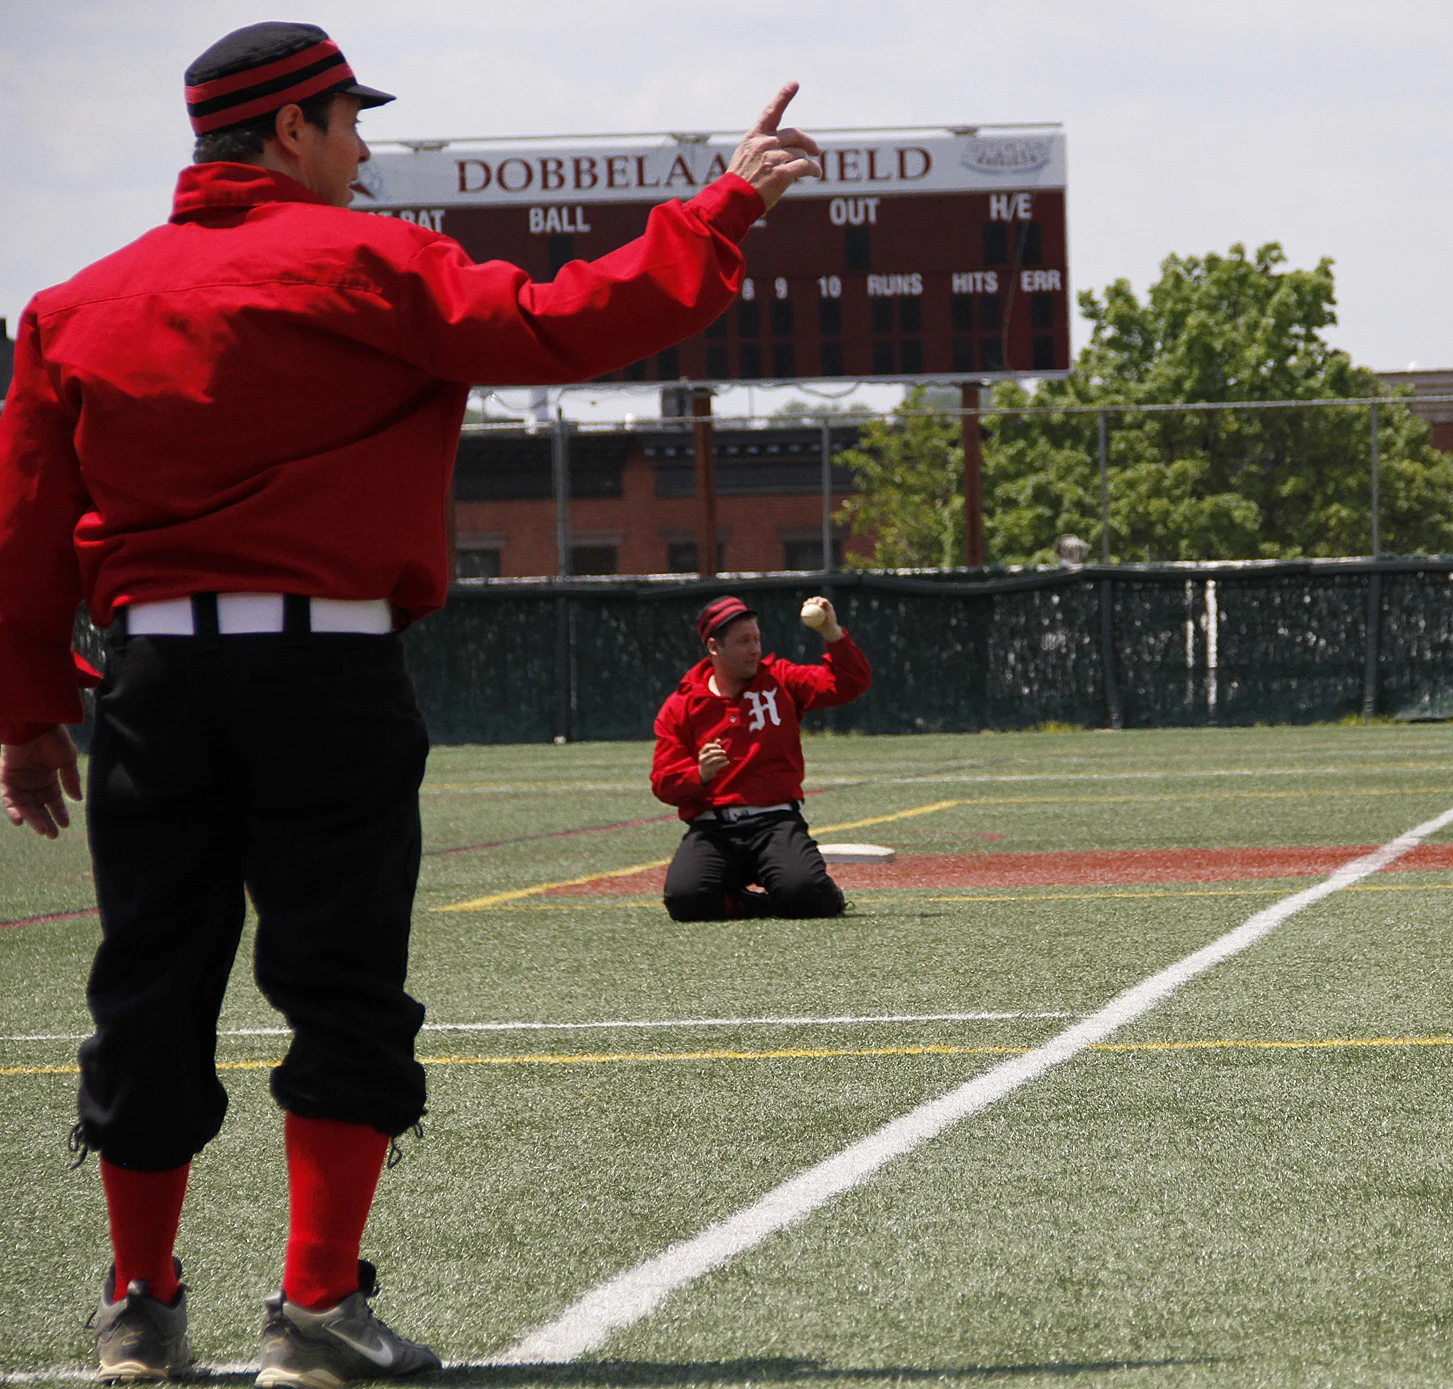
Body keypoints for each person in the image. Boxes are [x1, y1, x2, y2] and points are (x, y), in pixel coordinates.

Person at [0, 21, 821, 1385]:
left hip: (151, 681)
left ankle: (138, 1310)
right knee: (340, 983)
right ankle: (315, 1315)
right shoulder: (369, 260)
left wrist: (27, 704)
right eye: (346, 120)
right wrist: (723, 203)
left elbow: (28, 524)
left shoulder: (77, 304)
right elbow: (572, 319)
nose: (364, 147)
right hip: (325, 673)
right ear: (285, 131)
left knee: (146, 984)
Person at [651, 595, 870, 919]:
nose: (755, 649)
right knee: (686, 899)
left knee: (808, 895)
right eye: (743, 641)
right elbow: (662, 782)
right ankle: (760, 905)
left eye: (757, 639)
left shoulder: (780, 680)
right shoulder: (682, 704)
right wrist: (699, 774)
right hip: (714, 829)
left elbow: (849, 684)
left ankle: (808, 894)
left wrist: (832, 632)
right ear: (714, 647)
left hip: (776, 822)